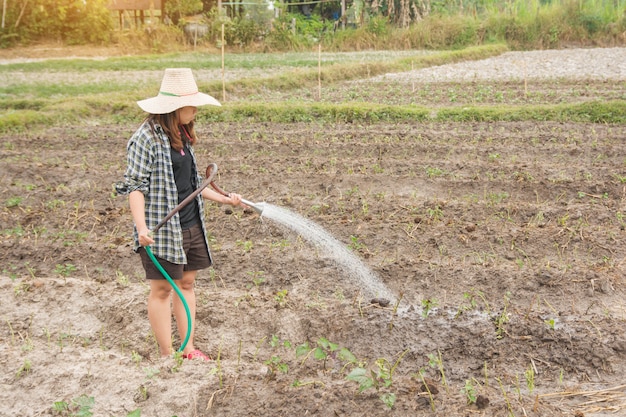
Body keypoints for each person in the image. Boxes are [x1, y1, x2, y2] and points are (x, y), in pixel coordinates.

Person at [116, 68, 243, 361]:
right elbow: (135, 187)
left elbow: (193, 186)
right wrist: (142, 228)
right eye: (192, 104)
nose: (196, 109)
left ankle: (187, 349)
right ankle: (166, 354)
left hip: (190, 225)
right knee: (162, 290)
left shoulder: (181, 134)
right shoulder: (145, 139)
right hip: (161, 230)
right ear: (175, 107)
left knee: (186, 284)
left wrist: (226, 200)